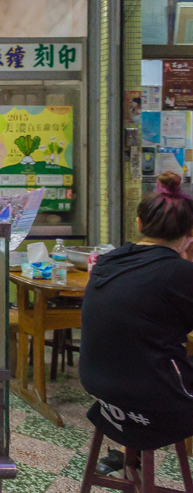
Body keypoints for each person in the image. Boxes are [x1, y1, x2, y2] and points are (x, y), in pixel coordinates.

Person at [79, 171, 193, 455]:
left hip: (100, 389)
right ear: (189, 233)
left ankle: (131, 458)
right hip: (152, 399)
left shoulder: (106, 262)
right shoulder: (179, 272)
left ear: (139, 223)